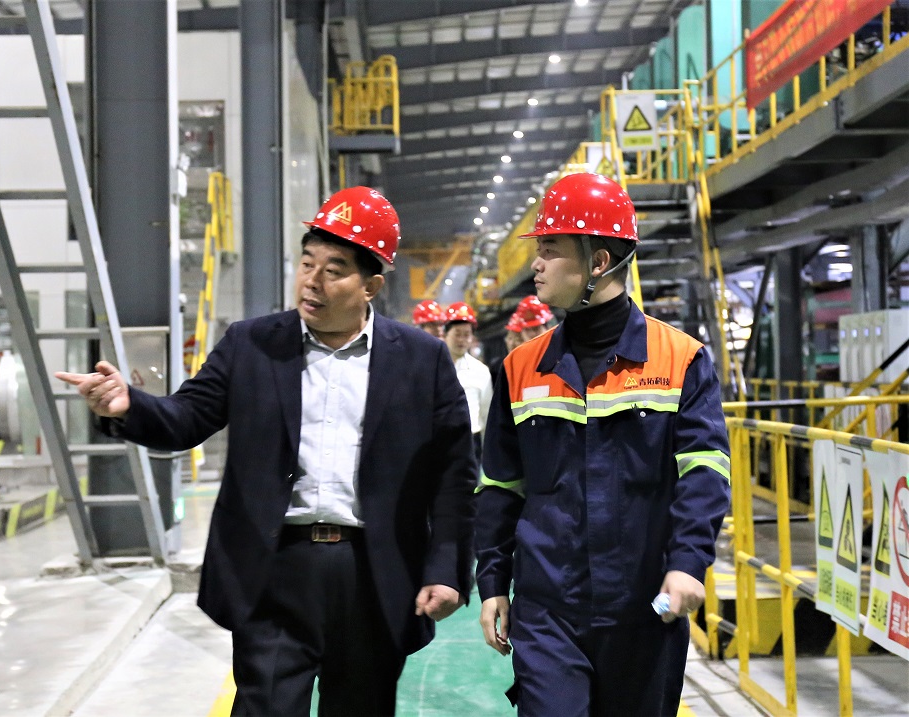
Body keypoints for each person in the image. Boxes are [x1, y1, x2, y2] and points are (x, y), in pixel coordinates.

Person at [57, 186, 477, 717]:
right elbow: (187, 418)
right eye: (307, 263)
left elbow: (453, 475)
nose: (312, 281)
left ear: (370, 285)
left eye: (334, 270)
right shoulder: (251, 344)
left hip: (374, 574)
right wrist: (127, 406)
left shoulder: (421, 359)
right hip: (275, 568)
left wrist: (446, 568)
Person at [474, 172, 731, 716]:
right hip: (547, 609)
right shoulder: (519, 368)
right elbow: (500, 486)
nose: (536, 263)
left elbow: (704, 472)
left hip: (645, 608)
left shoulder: (681, 360)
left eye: (550, 249)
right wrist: (493, 579)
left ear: (598, 262)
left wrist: (688, 561)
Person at [443, 301, 493, 461]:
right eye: (457, 333)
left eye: (467, 335)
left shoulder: (480, 371)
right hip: (440, 439)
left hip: (471, 442)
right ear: (445, 333)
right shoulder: (433, 367)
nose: (462, 340)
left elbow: (486, 412)